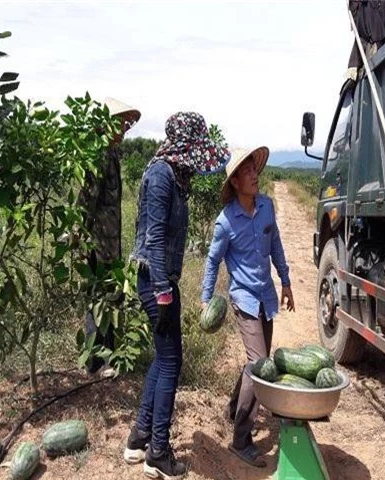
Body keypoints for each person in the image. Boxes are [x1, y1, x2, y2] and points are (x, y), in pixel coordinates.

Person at [124, 112, 230, 480]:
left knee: (163, 356)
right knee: (172, 361)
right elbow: (153, 237)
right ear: (184, 146)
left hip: (161, 281)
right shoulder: (160, 176)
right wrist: (165, 296)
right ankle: (158, 452)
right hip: (155, 282)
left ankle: (139, 437)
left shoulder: (173, 175)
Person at [200, 146, 294, 468]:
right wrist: (205, 299)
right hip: (243, 298)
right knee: (260, 364)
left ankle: (232, 409)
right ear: (236, 182)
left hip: (266, 296)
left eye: (255, 169)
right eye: (247, 171)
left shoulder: (266, 207)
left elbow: (277, 245)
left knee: (256, 362)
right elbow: (212, 261)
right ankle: (241, 439)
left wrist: (286, 281)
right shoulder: (225, 221)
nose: (255, 175)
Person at [79, 97, 140, 378]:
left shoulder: (112, 154)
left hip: (110, 245)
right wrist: (81, 243)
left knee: (111, 300)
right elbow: (86, 205)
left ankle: (111, 358)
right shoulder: (98, 156)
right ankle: (95, 361)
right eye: (121, 122)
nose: (125, 128)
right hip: (96, 246)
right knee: (96, 302)